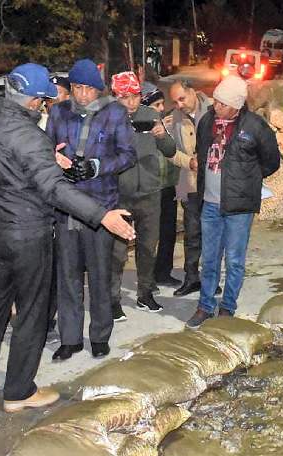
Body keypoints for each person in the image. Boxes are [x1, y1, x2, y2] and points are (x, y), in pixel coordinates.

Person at [0, 63, 135, 413]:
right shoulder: (27, 135)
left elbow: (4, 167)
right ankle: (18, 392)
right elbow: (54, 189)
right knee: (31, 312)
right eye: (43, 101)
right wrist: (101, 215)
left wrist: (46, 157)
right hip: (27, 234)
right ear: (34, 101)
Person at [45, 59, 136, 361]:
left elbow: (127, 156)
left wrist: (95, 167)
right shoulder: (58, 112)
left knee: (99, 274)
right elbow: (45, 151)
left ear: (98, 89)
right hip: (66, 206)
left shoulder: (115, 113)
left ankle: (100, 335)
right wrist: (56, 162)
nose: (82, 95)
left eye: (88, 89)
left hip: (102, 205)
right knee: (68, 276)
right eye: (76, 88)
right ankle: (70, 338)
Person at [186, 75, 280, 328]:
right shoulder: (207, 122)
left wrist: (249, 180)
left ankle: (227, 307)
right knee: (209, 258)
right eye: (216, 101)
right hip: (210, 203)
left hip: (239, 206)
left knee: (235, 259)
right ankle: (205, 306)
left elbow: (272, 160)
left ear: (237, 106)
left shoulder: (254, 126)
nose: (217, 107)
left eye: (223, 104)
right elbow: (202, 151)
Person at [110, 72, 176, 318]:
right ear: (116, 96)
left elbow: (169, 150)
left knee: (148, 247)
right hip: (120, 194)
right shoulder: (107, 119)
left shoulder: (151, 115)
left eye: (135, 96)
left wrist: (162, 135)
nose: (131, 102)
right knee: (117, 252)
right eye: (125, 97)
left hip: (150, 191)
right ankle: (113, 299)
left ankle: (145, 293)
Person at [165, 79, 213, 297]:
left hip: (214, 184)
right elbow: (170, 152)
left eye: (182, 99)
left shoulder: (215, 109)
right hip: (189, 183)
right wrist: (189, 162)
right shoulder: (174, 118)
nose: (179, 105)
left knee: (213, 233)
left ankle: (210, 278)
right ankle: (191, 277)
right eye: (175, 102)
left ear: (193, 92)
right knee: (192, 233)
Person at [147, 84, 182, 290]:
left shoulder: (168, 123)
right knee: (149, 235)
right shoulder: (138, 126)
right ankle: (148, 277)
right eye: (156, 104)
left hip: (169, 185)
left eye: (162, 104)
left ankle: (163, 272)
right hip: (150, 187)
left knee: (168, 232)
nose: (161, 108)